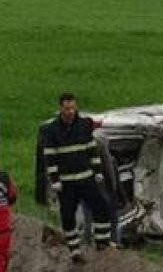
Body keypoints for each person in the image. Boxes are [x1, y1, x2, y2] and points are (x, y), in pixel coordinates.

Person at [40, 92, 112, 261]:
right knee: (68, 215)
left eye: (72, 108)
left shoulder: (84, 124)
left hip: (86, 178)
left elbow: (91, 149)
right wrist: (55, 180)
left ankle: (102, 243)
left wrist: (98, 171)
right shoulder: (51, 130)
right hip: (66, 182)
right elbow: (50, 156)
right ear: (60, 109)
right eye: (67, 108)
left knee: (101, 207)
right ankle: (74, 249)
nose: (70, 111)